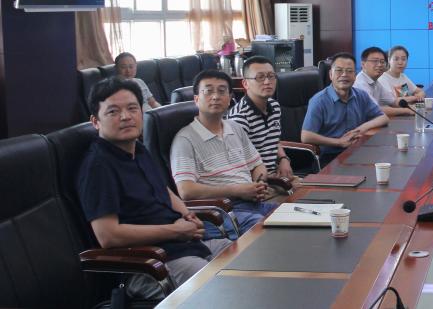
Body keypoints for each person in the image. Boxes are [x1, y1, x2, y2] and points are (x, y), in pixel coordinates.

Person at [77, 77, 231, 299]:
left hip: (182, 246)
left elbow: (162, 189)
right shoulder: (98, 166)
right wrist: (176, 231)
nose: (126, 116)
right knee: (221, 289)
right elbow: (108, 235)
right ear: (95, 121)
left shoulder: (138, 149)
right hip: (147, 265)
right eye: (113, 112)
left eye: (132, 108)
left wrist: (187, 214)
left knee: (241, 255)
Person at [171, 70, 276, 239]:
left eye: (222, 91)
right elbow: (186, 191)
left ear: (230, 98)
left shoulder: (235, 128)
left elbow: (257, 165)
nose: (215, 97)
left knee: (295, 216)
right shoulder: (185, 139)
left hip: (253, 203)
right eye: (208, 91)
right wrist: (237, 191)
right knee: (270, 233)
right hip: (223, 211)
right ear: (196, 99)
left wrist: (259, 185)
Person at [301, 52, 389, 164]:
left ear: (355, 75)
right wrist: (339, 142)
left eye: (349, 71)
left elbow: (383, 118)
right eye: (339, 70)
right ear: (331, 74)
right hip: (330, 157)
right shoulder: (319, 101)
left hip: (357, 151)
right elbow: (306, 136)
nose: (344, 75)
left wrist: (360, 129)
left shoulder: (361, 95)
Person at [226, 56, 293, 180]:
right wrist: (274, 181)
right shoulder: (239, 118)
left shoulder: (274, 106)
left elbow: (274, 140)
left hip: (276, 176)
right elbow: (238, 165)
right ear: (245, 84)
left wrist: (283, 159)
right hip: (256, 183)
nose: (267, 82)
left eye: (271, 76)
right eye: (260, 77)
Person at [353, 46, 409, 117]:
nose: (379, 65)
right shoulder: (360, 84)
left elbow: (393, 101)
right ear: (363, 64)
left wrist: (412, 107)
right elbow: (375, 109)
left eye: (382, 62)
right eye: (375, 61)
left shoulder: (376, 82)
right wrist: (406, 111)